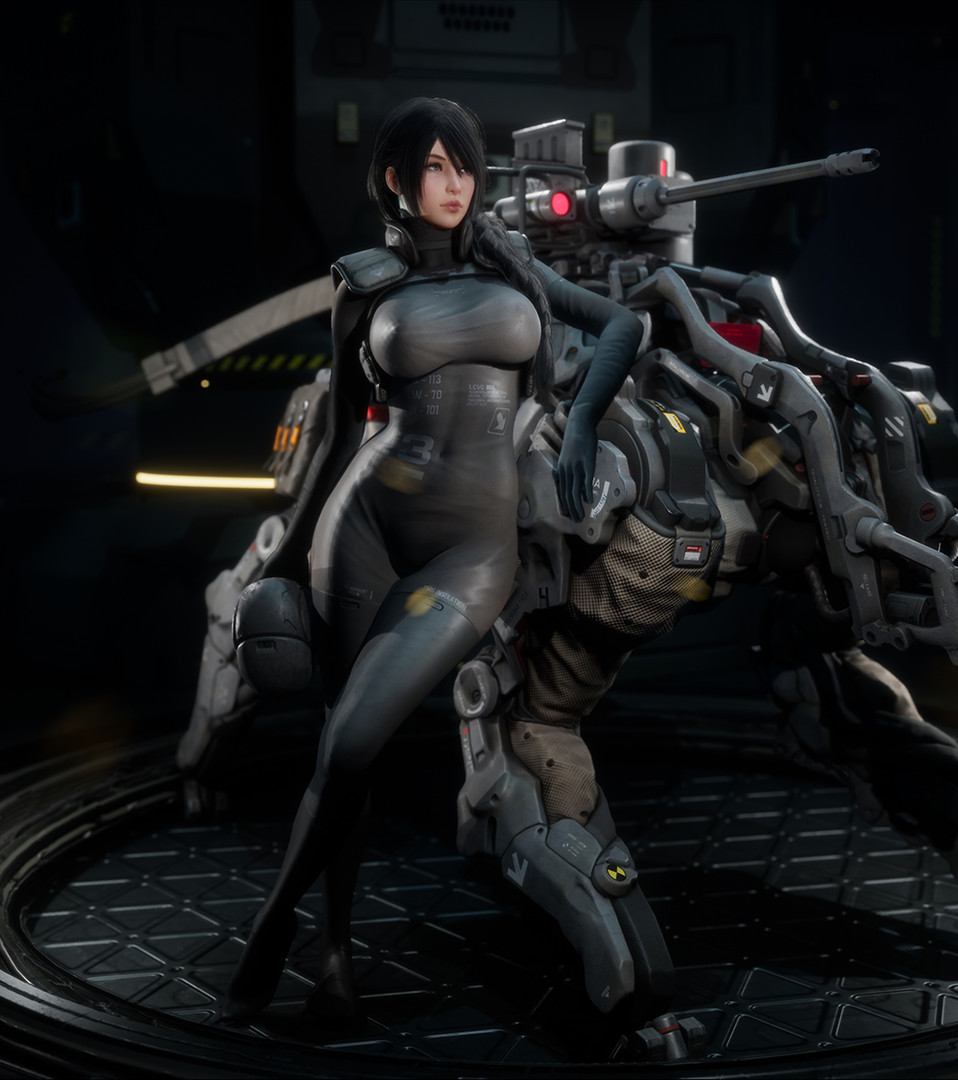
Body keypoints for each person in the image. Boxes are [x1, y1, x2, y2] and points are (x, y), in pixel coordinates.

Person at [221, 97, 642, 1023]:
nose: (455, 185)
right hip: (362, 523)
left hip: (470, 553)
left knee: (353, 741)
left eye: (465, 167)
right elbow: (340, 437)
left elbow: (623, 327)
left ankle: (270, 926)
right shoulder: (363, 283)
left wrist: (579, 423)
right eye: (436, 167)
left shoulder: (513, 265)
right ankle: (333, 952)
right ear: (396, 179)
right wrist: (281, 561)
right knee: (344, 748)